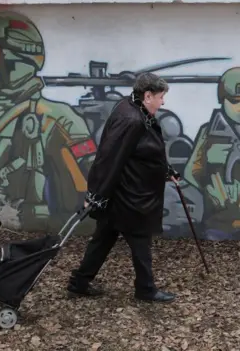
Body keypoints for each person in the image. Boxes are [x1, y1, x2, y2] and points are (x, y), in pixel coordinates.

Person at [66, 72, 180, 303]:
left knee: (103, 239)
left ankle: (79, 282)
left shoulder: (132, 108)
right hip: (130, 197)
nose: (163, 102)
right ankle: (145, 289)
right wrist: (95, 194)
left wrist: (165, 170)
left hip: (121, 195)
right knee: (140, 241)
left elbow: (141, 152)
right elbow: (108, 158)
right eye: (160, 96)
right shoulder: (132, 120)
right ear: (147, 96)